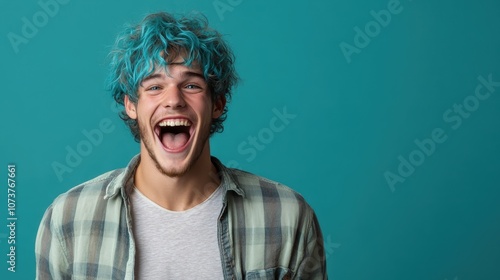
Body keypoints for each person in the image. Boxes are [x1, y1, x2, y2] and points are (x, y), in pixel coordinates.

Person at [35, 11, 327, 279]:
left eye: (191, 85)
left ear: (217, 104)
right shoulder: (67, 220)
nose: (173, 99)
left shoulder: (288, 217)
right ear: (131, 105)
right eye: (154, 87)